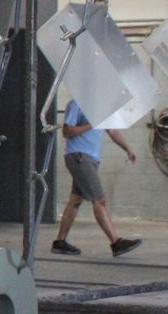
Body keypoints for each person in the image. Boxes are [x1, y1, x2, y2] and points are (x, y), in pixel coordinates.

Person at [53, 98, 142, 256]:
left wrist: (127, 148)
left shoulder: (100, 108)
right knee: (99, 200)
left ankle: (60, 242)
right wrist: (91, 124)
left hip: (90, 158)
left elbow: (112, 131)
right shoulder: (77, 104)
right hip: (79, 156)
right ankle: (116, 242)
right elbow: (67, 132)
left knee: (75, 200)